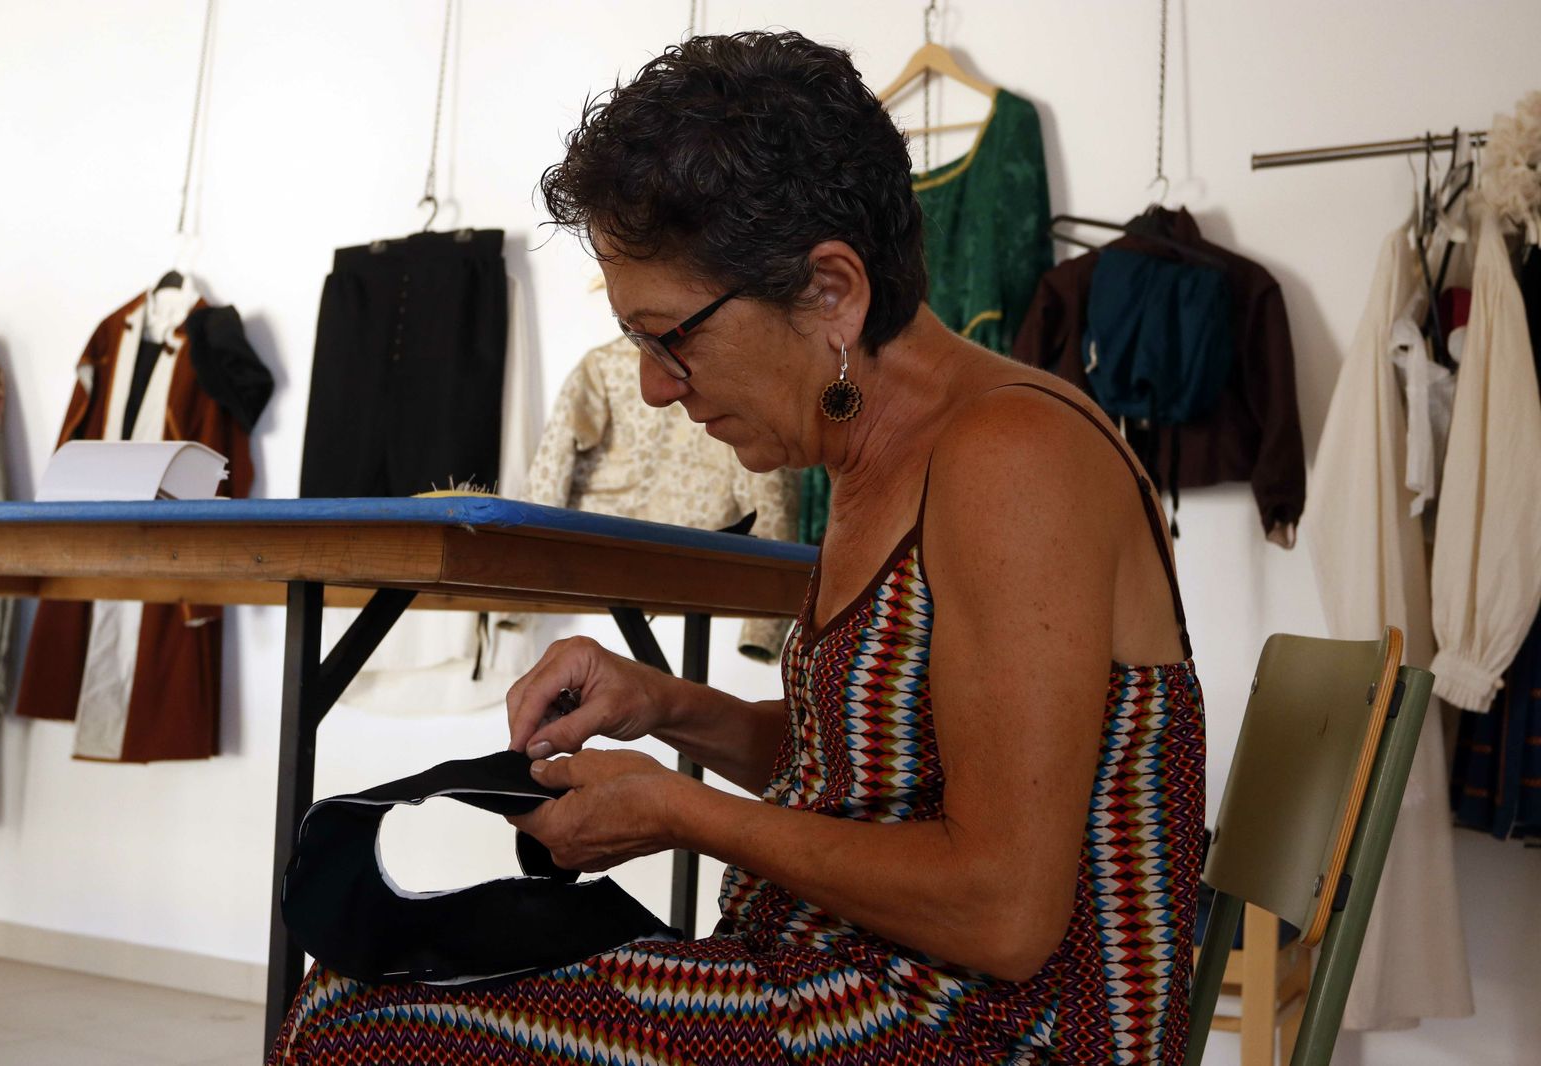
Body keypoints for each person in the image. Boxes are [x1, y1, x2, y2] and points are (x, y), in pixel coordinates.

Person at [270, 30, 1205, 1065]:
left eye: (675, 336)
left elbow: (1000, 910)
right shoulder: (870, 458)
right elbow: (866, 782)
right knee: (361, 980)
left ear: (831, 292)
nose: (661, 387)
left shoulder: (1009, 457)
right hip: (845, 986)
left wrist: (684, 811)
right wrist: (667, 706)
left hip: (984, 1033)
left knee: (361, 1028)